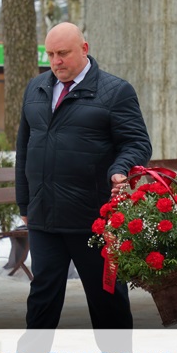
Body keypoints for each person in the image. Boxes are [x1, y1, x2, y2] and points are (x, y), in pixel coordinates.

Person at [15, 22, 152, 331]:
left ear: (84, 49)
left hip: (93, 219)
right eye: (50, 54)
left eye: (63, 53)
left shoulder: (116, 91)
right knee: (41, 298)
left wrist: (120, 168)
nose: (56, 61)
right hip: (44, 216)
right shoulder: (35, 88)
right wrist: (24, 203)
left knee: (107, 300)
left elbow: (137, 143)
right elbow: (24, 148)